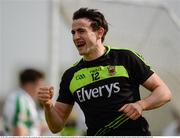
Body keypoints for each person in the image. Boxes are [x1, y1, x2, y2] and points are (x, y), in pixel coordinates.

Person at [37, 8, 172, 136]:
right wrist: (48, 105)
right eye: (73, 32)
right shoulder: (70, 75)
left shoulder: (125, 58)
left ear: (99, 32)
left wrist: (141, 105)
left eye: (81, 31)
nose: (75, 37)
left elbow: (164, 92)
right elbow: (56, 126)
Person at [3, 68, 45, 136]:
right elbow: (19, 128)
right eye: (39, 85)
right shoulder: (20, 99)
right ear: (29, 84)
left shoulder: (23, 99)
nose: (41, 88)